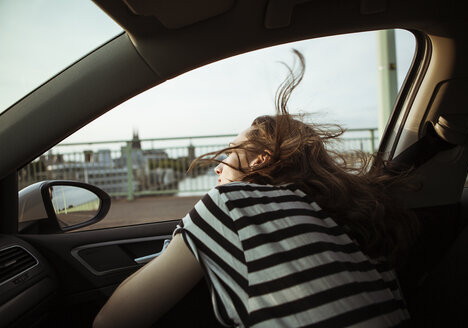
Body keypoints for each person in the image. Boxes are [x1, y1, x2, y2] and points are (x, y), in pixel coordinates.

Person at [93, 51, 418, 328]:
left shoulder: (233, 205)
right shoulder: (347, 220)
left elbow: (111, 322)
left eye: (231, 152)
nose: (219, 165)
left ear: (262, 160)